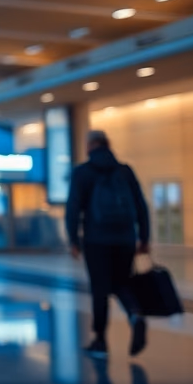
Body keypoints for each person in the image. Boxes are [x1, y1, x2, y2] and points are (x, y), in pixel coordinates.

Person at [65, 130, 151, 359]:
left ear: (90, 146)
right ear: (108, 144)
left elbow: (73, 207)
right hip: (125, 239)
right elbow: (141, 205)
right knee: (123, 282)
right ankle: (135, 314)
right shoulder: (125, 171)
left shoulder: (83, 172)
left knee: (100, 289)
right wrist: (145, 237)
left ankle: (100, 340)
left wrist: (73, 239)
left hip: (96, 240)